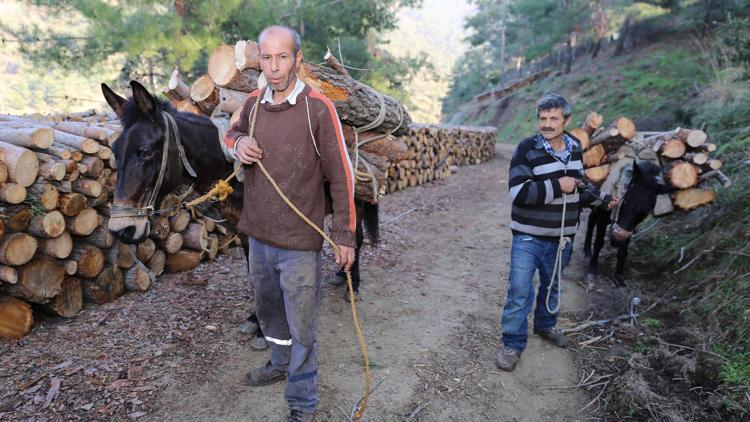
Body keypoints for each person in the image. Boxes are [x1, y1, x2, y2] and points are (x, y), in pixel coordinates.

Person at [224, 25, 356, 422]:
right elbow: (229, 134)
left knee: (302, 326)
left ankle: (302, 401)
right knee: (268, 312)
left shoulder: (318, 108)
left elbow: (342, 175)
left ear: (299, 60)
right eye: (267, 57)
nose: (275, 66)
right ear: (258, 60)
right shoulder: (251, 102)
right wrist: (238, 145)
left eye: (283, 57)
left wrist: (344, 235)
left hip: (300, 242)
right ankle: (278, 363)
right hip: (258, 235)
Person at [497, 94, 617, 372]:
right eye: (543, 118)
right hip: (527, 236)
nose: (547, 124)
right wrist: (557, 185)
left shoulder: (575, 146)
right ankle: (512, 344)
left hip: (563, 236)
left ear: (566, 120)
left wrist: (601, 200)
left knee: (552, 285)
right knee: (519, 290)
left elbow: (578, 184)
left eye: (553, 118)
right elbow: (519, 192)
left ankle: (545, 326)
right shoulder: (526, 148)